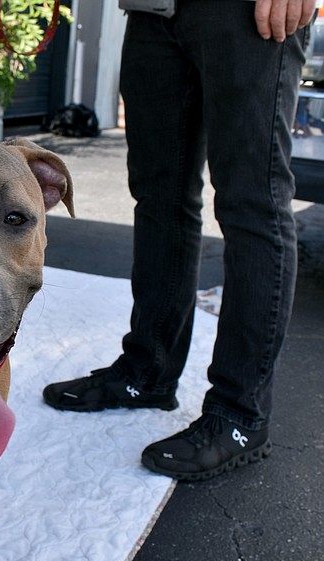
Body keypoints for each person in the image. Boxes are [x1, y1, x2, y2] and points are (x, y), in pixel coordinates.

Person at [42, 0, 315, 482]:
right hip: (153, 9)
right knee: (159, 197)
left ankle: (239, 414)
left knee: (253, 202)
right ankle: (148, 370)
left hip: (246, 11)